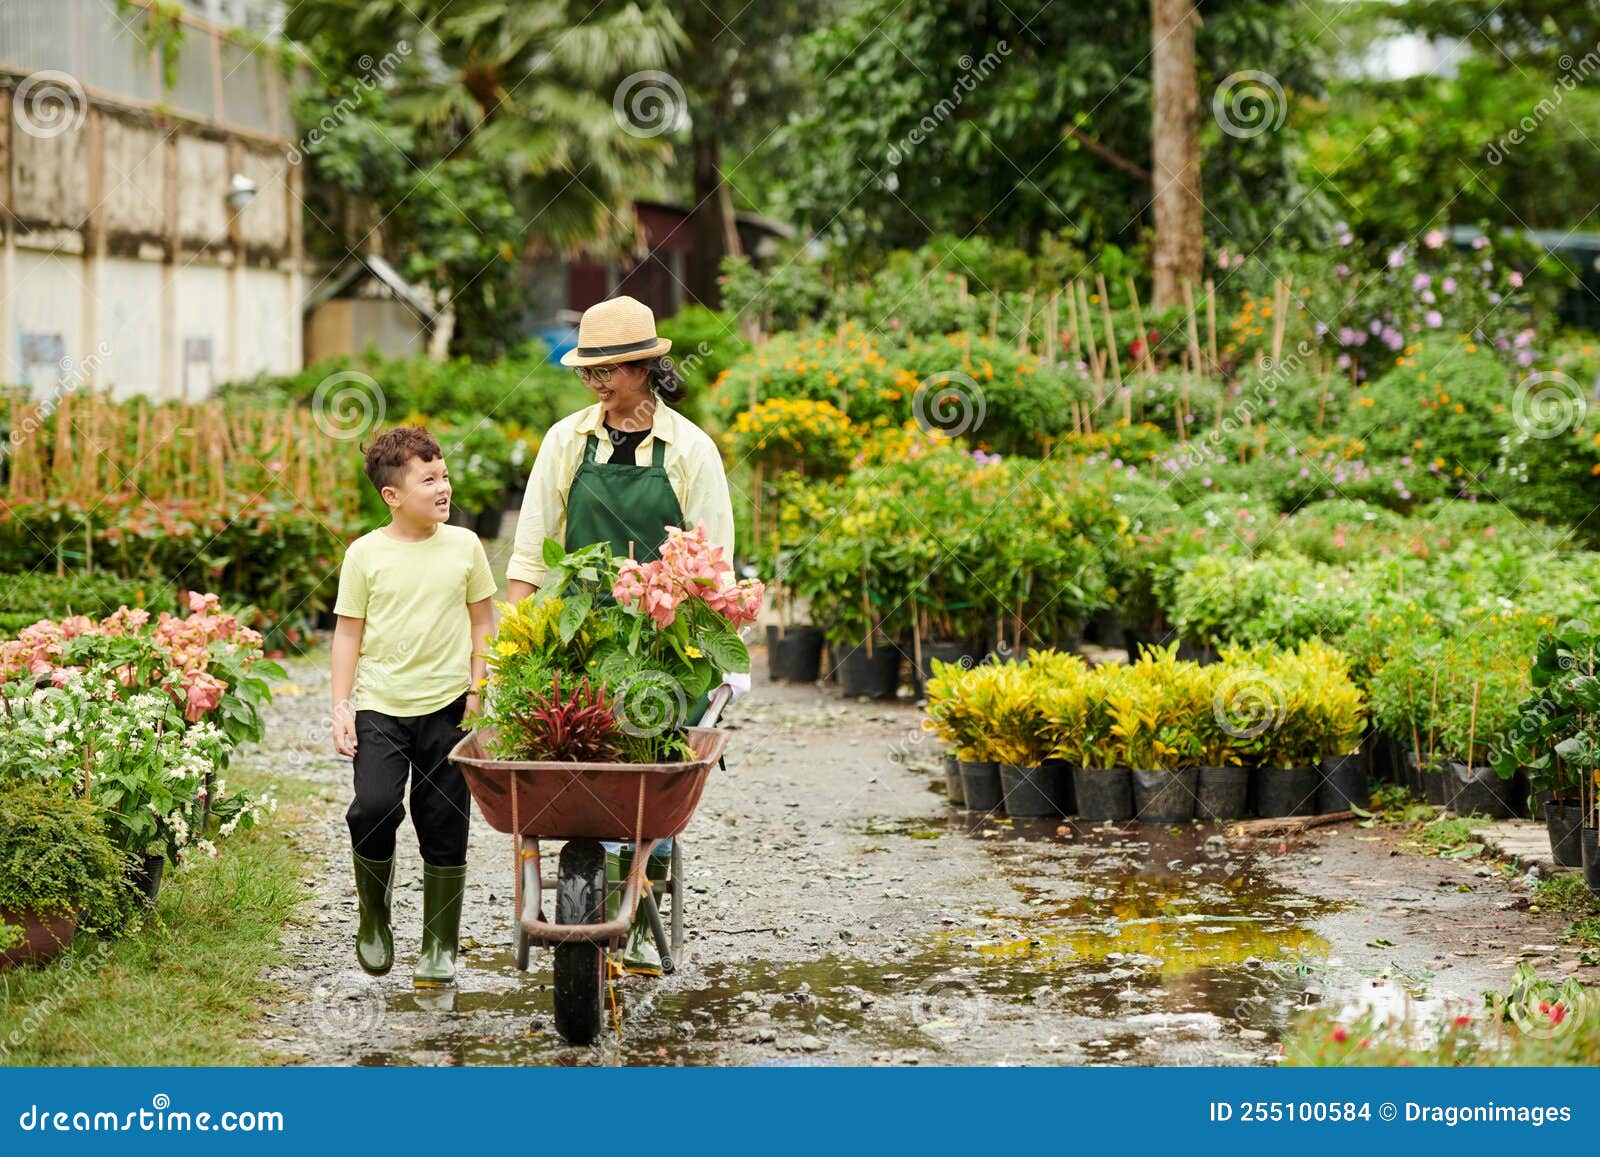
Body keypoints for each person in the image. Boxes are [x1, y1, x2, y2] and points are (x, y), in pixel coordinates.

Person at [505, 294, 747, 975]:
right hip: (580, 635)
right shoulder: (566, 441)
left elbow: (713, 566)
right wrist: (507, 649)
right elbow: (528, 556)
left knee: (655, 763)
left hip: (663, 638)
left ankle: (644, 891)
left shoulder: (690, 451)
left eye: (610, 369)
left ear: (647, 367)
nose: (597, 382)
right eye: (588, 371)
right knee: (578, 756)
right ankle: (607, 889)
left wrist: (717, 653)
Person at [331, 426, 497, 988]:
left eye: (445, 475)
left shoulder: (466, 546)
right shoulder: (365, 554)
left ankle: (438, 946)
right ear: (392, 495)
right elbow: (348, 635)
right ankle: (373, 916)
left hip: (449, 706)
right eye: (429, 479)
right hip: (381, 706)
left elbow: (482, 623)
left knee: (444, 822)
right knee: (372, 806)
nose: (444, 487)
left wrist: (479, 688)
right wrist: (341, 705)